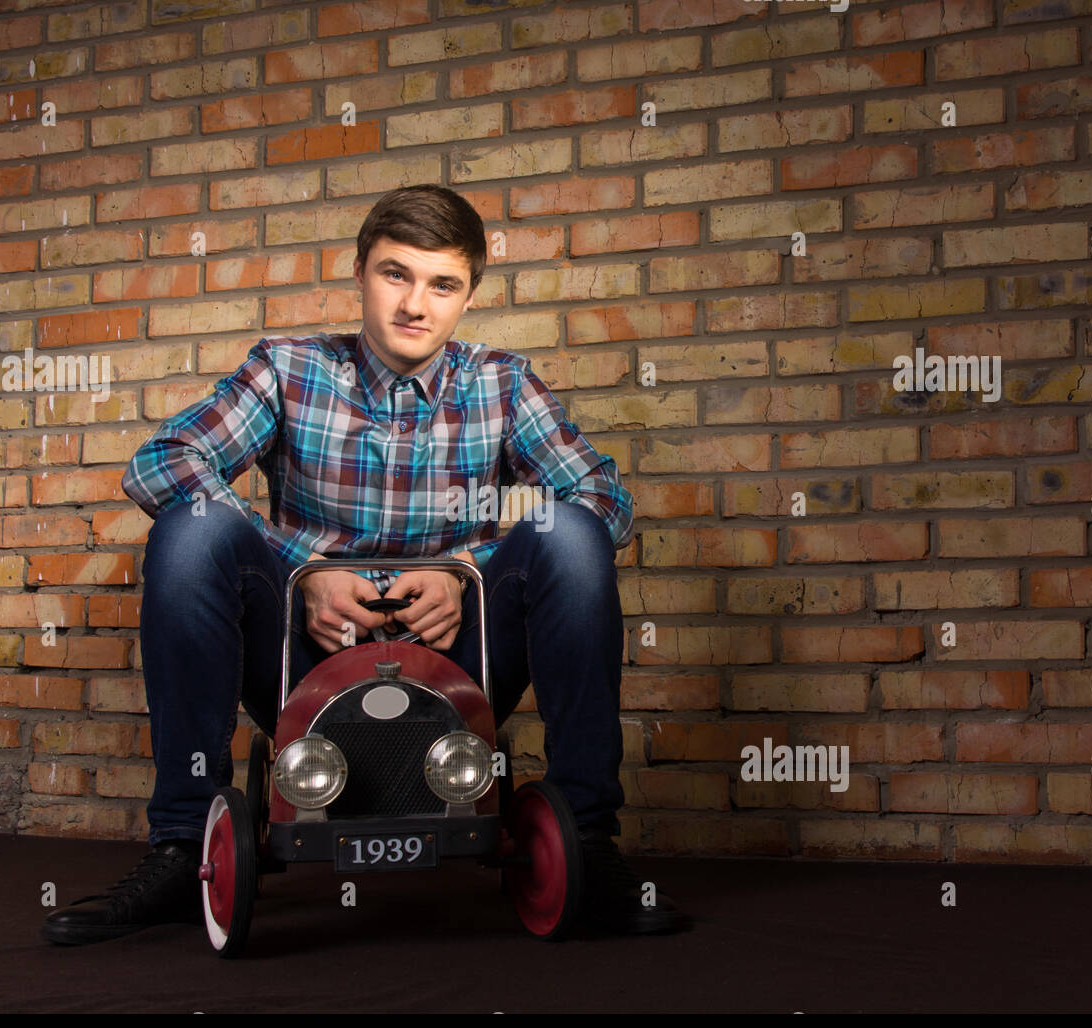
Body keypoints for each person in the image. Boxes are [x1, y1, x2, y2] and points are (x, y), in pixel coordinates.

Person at [41, 184, 684, 946]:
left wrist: (463, 570)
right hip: (304, 659)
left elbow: (605, 499)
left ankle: (588, 841)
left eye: (441, 284)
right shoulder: (288, 368)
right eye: (395, 275)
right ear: (358, 274)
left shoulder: (503, 383)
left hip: (459, 657)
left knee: (570, 531)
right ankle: (186, 846)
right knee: (192, 530)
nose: (416, 303)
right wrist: (305, 569)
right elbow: (161, 464)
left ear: (468, 295)